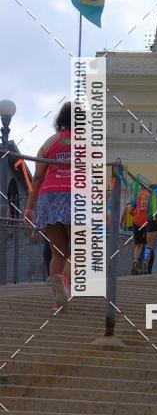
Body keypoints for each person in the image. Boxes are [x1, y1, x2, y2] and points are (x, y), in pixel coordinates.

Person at [23, 102, 72, 313]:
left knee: (58, 253)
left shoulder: (49, 142)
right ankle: (65, 282)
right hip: (76, 195)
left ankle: (56, 300)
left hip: (49, 195)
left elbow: (38, 177)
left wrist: (29, 207)